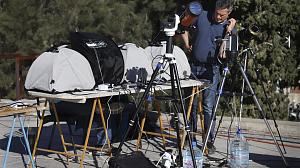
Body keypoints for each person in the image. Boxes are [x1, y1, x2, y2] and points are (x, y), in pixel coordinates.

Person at [181, 0, 236, 154]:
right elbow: (183, 26)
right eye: (216, 13)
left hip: (212, 69)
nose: (218, 17)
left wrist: (229, 31)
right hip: (193, 67)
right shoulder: (202, 16)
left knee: (207, 106)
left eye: (222, 15)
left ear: (228, 14)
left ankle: (208, 140)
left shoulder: (230, 28)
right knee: (190, 105)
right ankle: (189, 136)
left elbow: (224, 54)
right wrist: (186, 44)